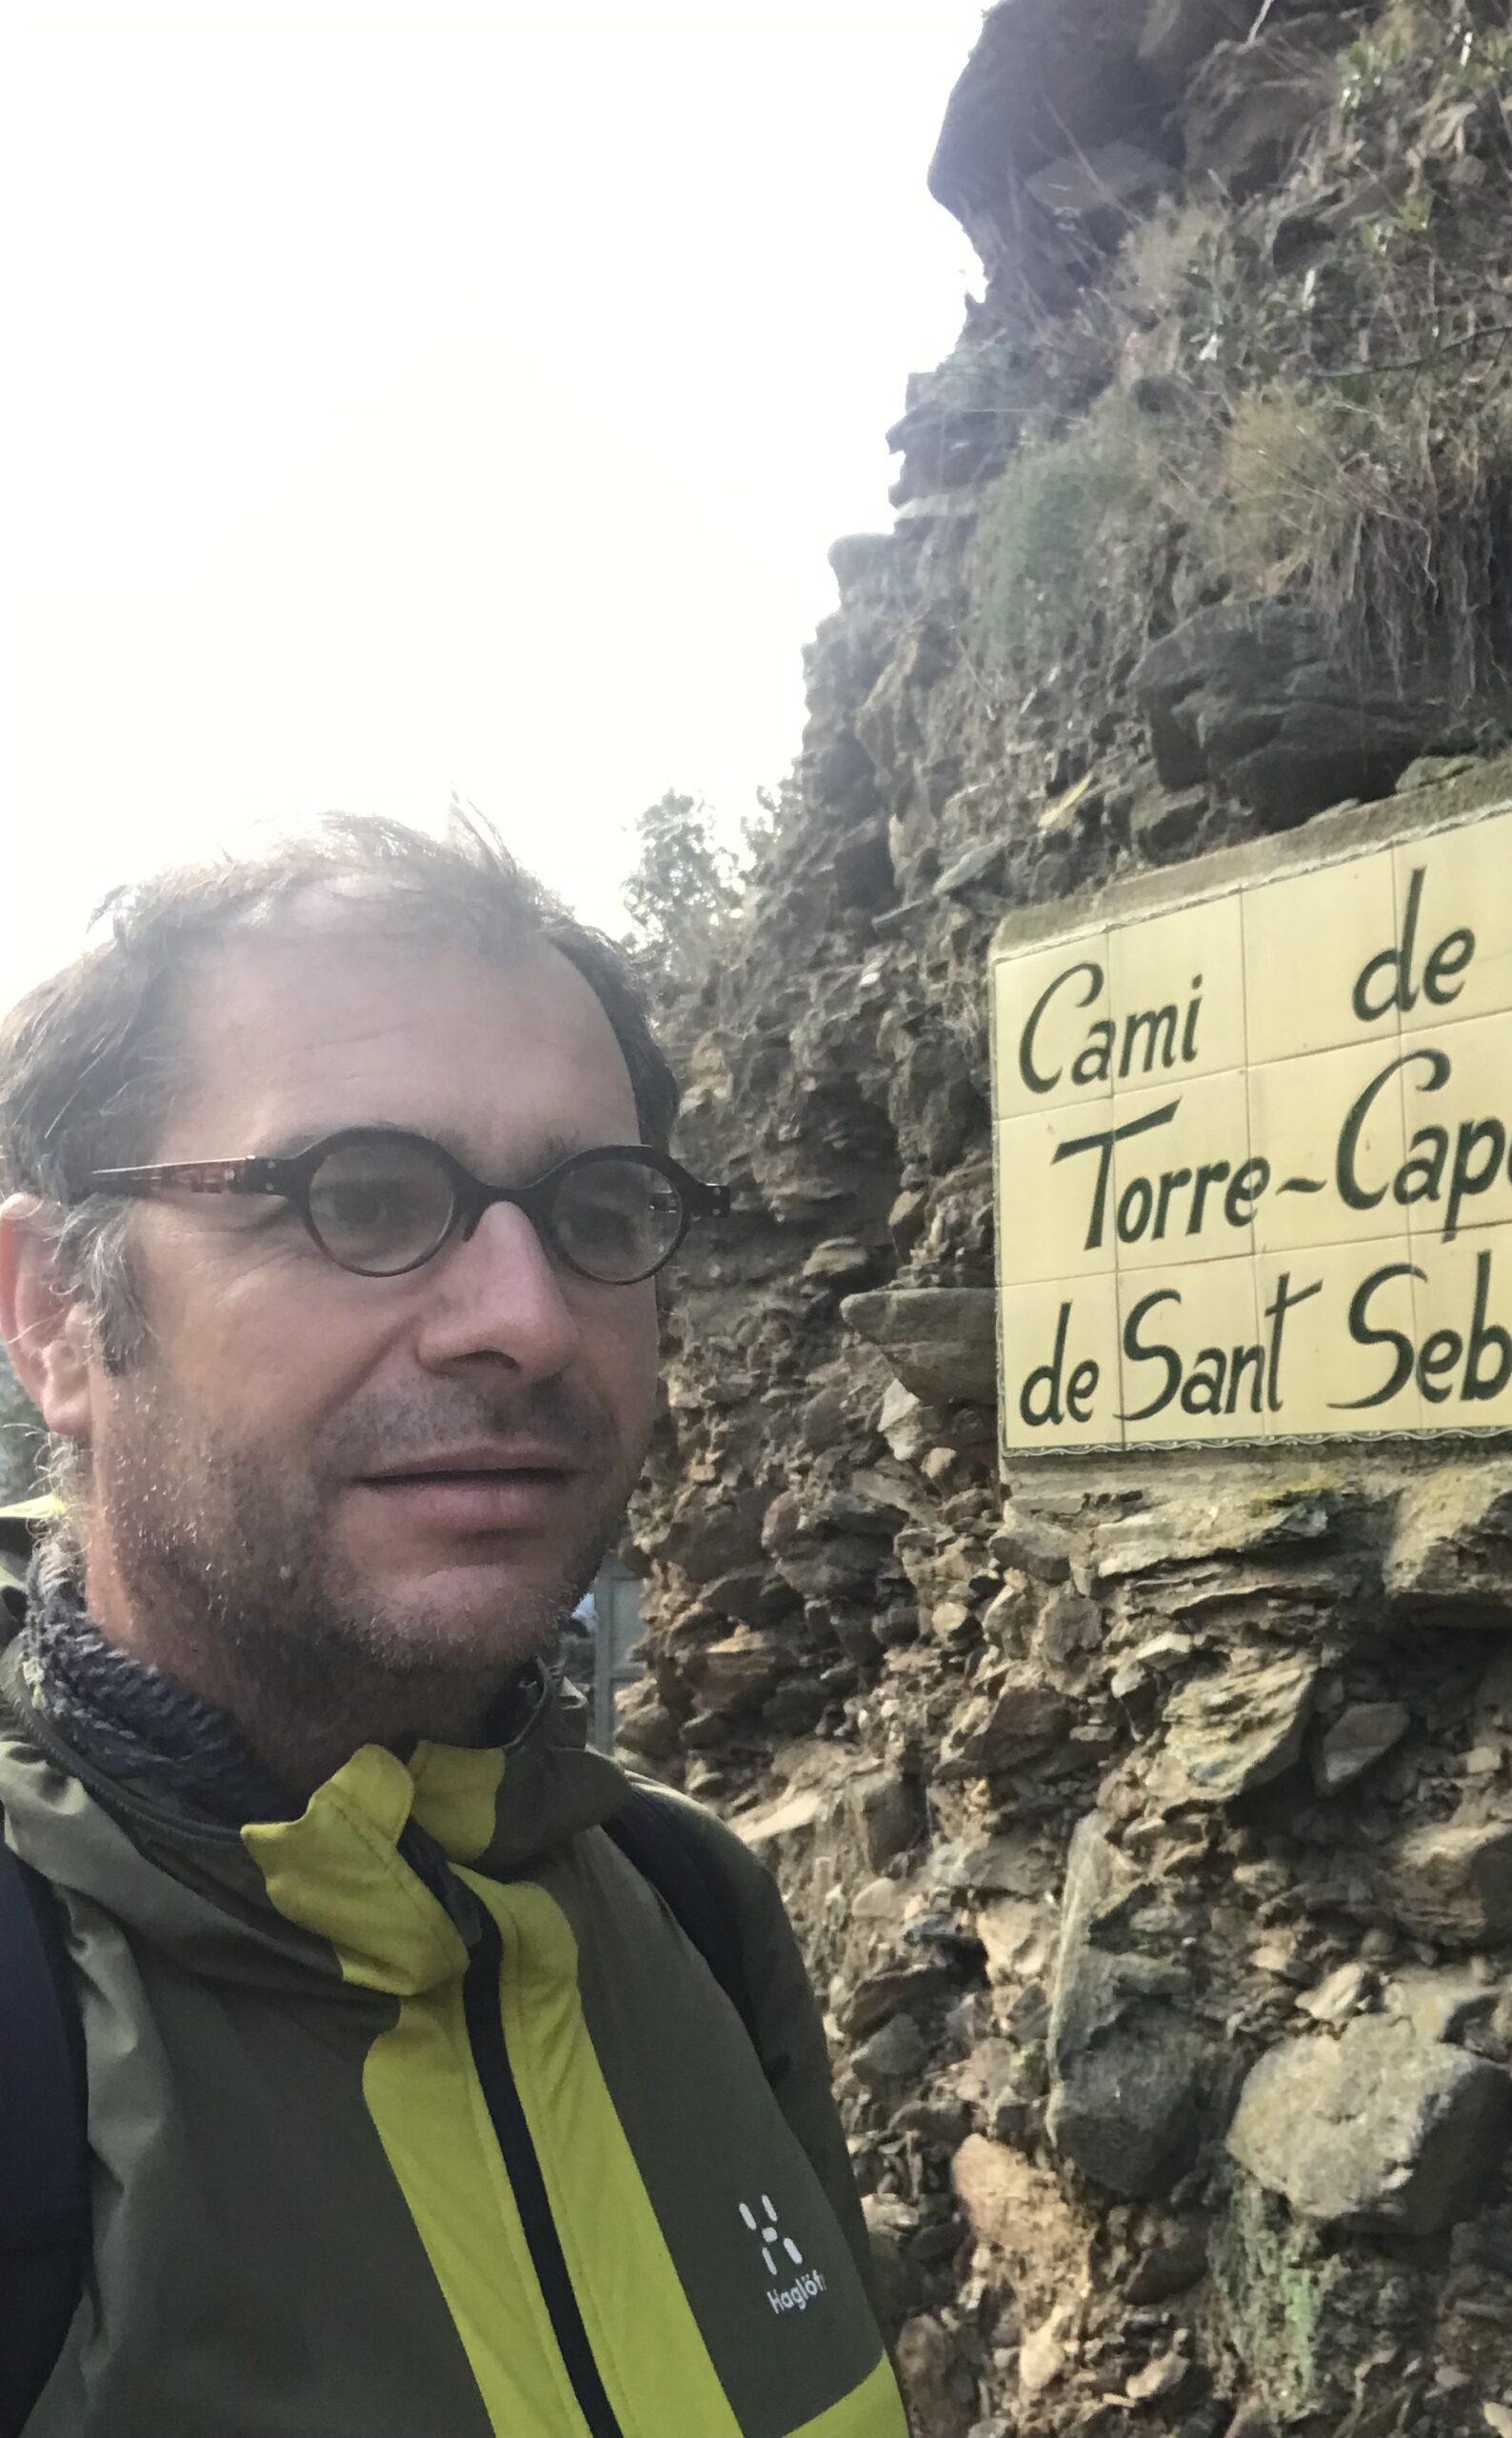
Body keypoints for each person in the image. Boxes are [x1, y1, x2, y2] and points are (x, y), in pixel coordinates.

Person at [0, 820, 908, 2438]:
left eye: (599, 1211)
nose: (529, 1318)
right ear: (58, 1316)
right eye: (357, 1195)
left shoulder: (691, 1910)